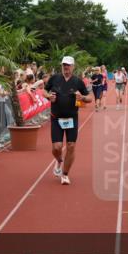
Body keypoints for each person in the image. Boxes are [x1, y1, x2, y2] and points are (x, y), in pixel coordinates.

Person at [41, 55, 92, 186]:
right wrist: (48, 97)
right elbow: (44, 91)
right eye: (64, 65)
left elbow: (89, 98)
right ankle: (59, 160)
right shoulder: (55, 79)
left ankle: (65, 174)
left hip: (72, 118)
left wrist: (82, 97)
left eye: (68, 65)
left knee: (71, 146)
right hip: (56, 118)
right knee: (56, 147)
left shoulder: (77, 82)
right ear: (61, 66)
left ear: (73, 67)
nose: (66, 67)